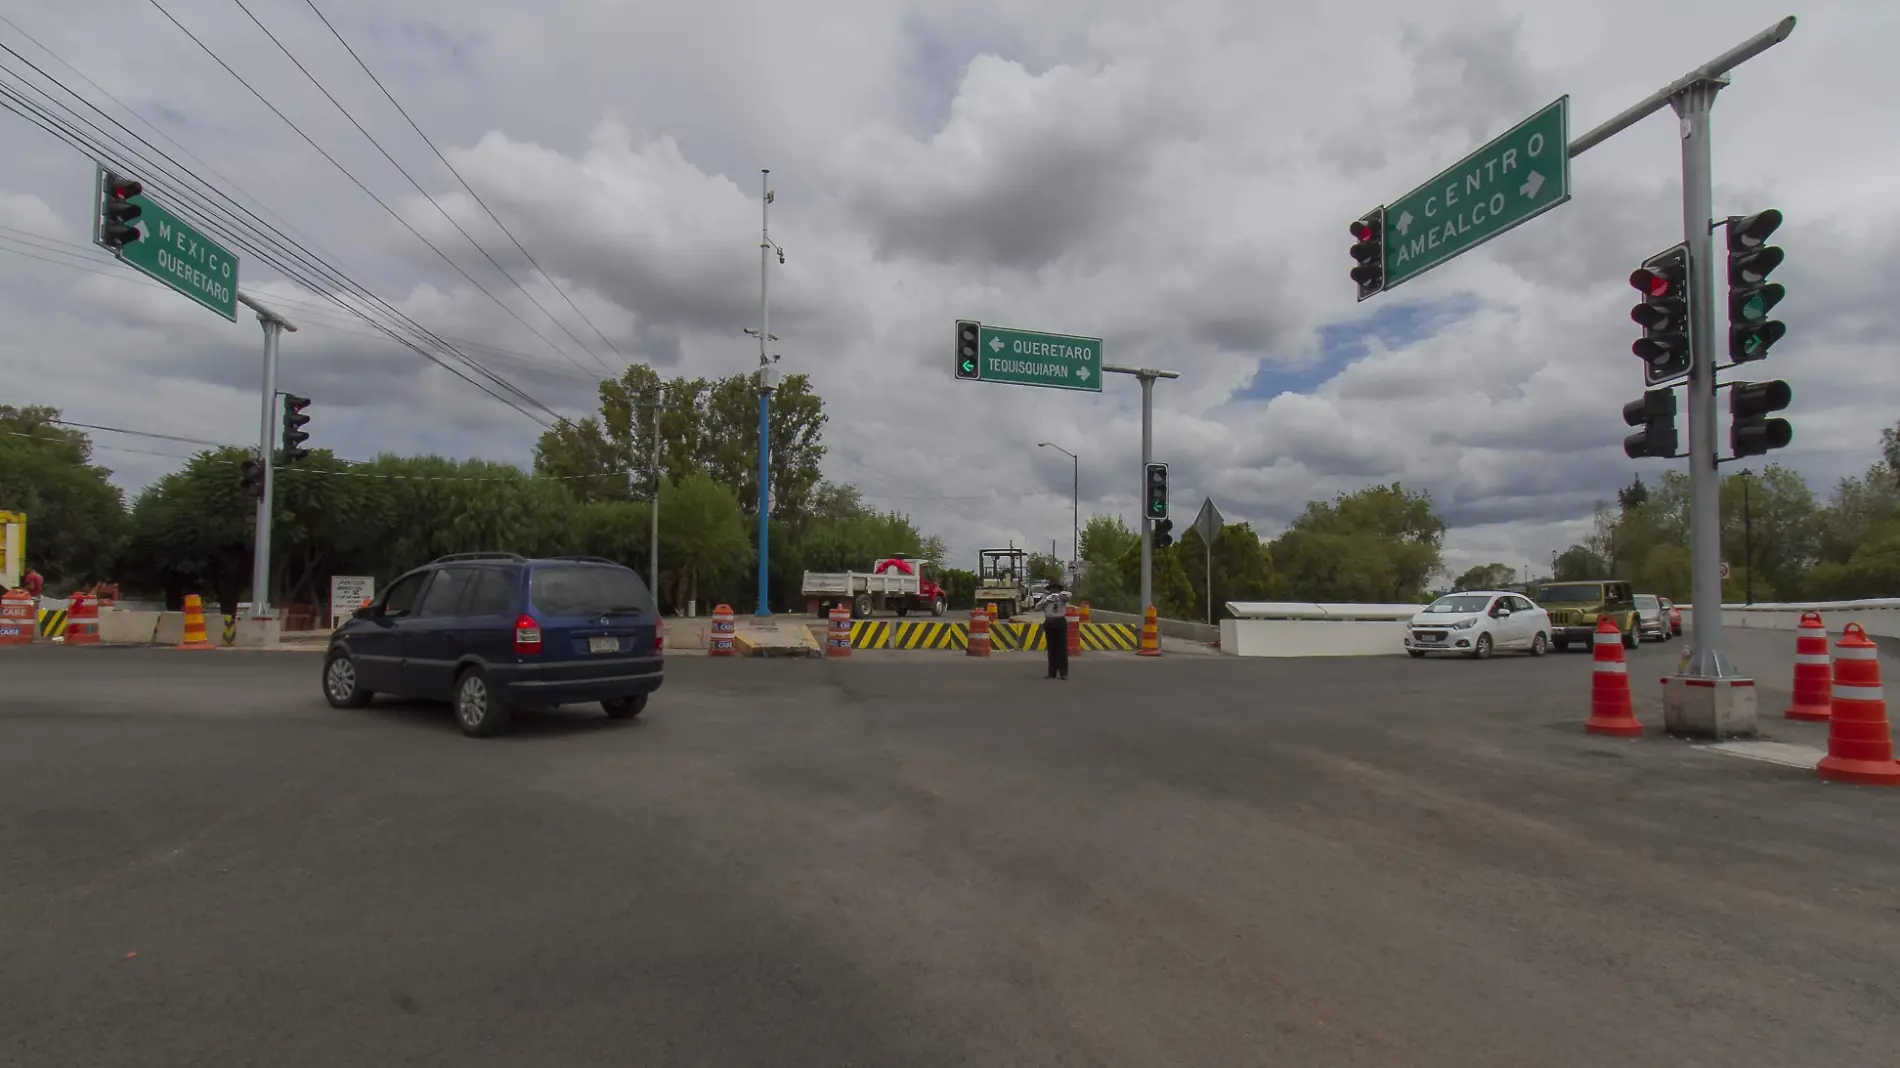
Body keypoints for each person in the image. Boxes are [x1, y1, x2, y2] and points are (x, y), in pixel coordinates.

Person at [1042, 577, 1071, 680]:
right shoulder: (1045, 597)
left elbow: (1068, 596)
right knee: (1051, 648)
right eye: (1052, 588)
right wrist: (1046, 600)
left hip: (1059, 621)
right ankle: (1052, 672)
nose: (1053, 590)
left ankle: (1063, 673)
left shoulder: (1061, 597)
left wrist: (1058, 595)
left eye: (1055, 588)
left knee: (1061, 648)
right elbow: (1037, 607)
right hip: (1049, 622)